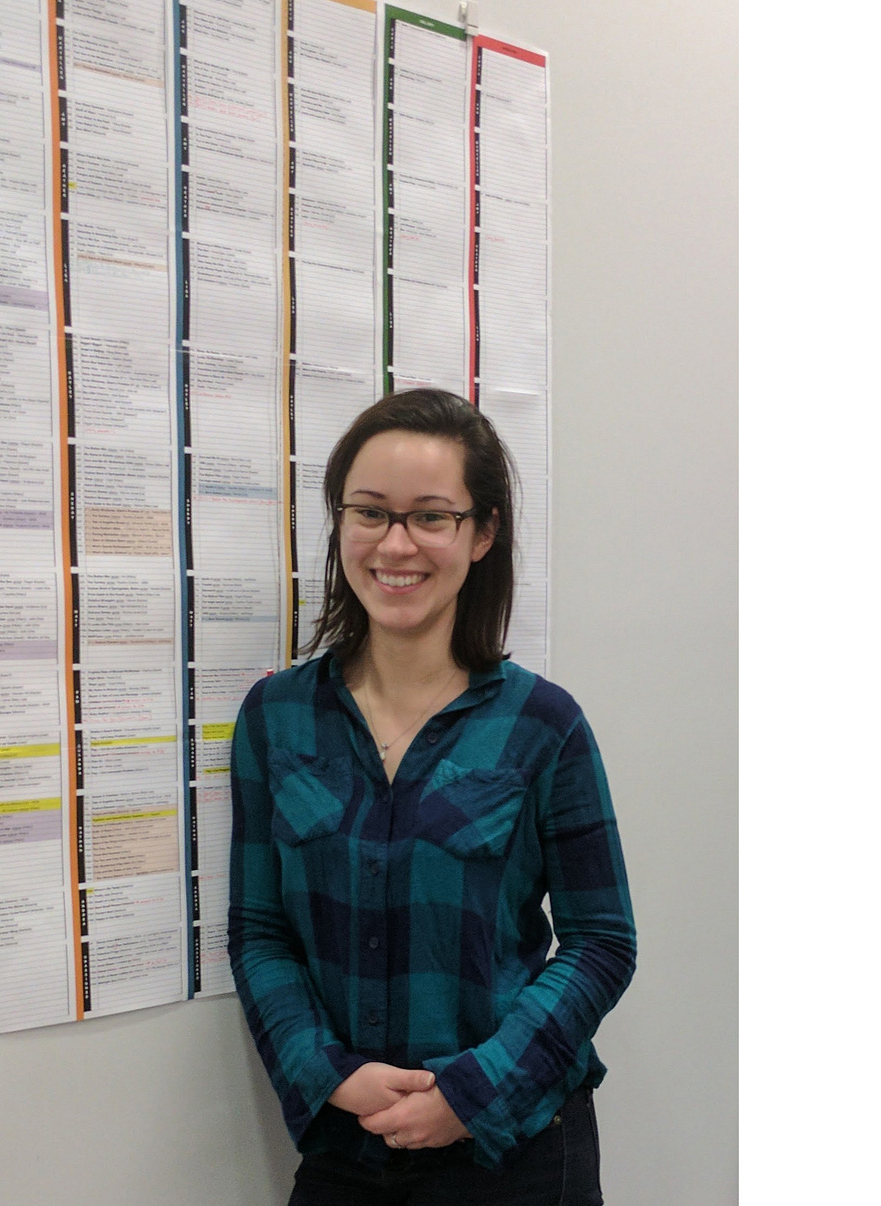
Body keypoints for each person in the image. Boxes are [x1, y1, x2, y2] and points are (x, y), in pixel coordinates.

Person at [228, 389, 636, 1204]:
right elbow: (259, 930)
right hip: (347, 1145)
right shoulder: (277, 717)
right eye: (370, 512)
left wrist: (471, 1092)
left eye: (431, 517)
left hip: (514, 1150)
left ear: (482, 533)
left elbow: (601, 942)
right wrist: (327, 1073)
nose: (396, 543)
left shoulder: (543, 724)